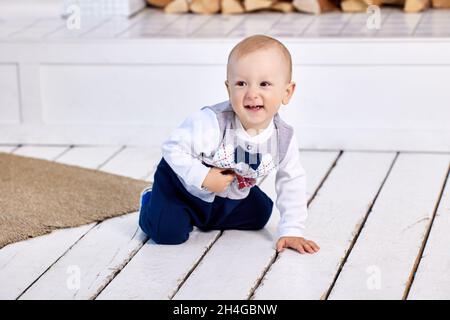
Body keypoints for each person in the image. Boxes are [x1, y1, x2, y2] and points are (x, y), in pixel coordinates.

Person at [139, 34, 320, 254]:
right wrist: (203, 178)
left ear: (286, 92)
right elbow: (172, 148)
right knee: (168, 234)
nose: (252, 93)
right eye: (241, 83)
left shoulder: (283, 138)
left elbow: (291, 180)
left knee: (260, 214)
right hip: (183, 187)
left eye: (264, 84)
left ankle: (206, 216)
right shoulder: (212, 122)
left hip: (226, 193)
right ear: (228, 89)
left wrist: (292, 229)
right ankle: (152, 199)